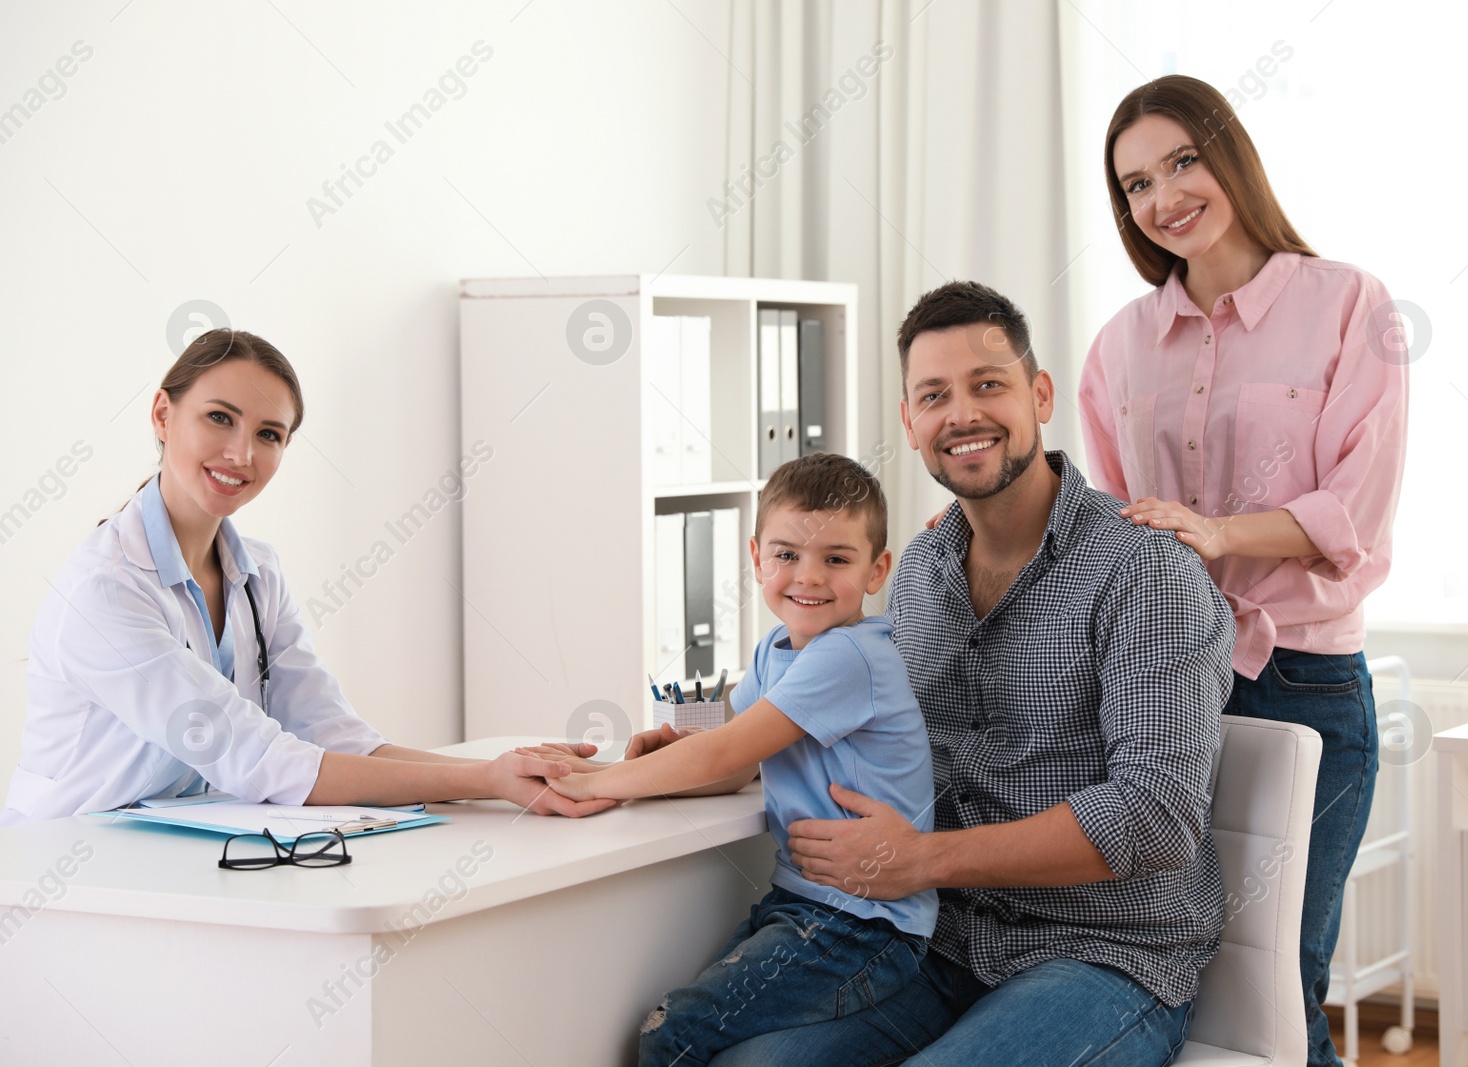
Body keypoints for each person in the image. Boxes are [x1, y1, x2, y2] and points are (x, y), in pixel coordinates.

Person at [626, 281, 1235, 1065]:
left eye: (988, 385)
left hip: (1101, 953)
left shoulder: (1144, 569)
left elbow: (1156, 816)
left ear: (1039, 395)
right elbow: (810, 708)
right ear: (910, 422)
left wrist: (923, 858)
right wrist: (685, 748)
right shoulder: (917, 570)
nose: (963, 414)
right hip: (935, 940)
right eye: (934, 395)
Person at [1078, 75, 1408, 1066]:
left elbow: (1357, 512)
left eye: (1181, 160)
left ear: (1230, 156)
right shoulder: (1117, 348)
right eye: (1135, 183)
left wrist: (1220, 535)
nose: (1164, 196)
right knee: (1193, 979)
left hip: (1303, 681)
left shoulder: (1350, 302)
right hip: (1164, 684)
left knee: (1281, 985)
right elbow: (1124, 521)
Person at [1, 329, 608, 826]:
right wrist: (484, 779)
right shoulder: (104, 590)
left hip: (176, 853)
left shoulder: (257, 571)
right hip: (67, 866)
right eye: (219, 418)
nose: (241, 454)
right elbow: (256, 756)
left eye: (269, 435)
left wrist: (505, 774)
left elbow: (336, 735)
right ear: (163, 414)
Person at [541, 452, 937, 1067]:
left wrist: (608, 781)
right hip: (803, 906)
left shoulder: (849, 656)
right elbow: (739, 764)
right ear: (756, 558)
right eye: (787, 555)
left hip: (862, 927)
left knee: (671, 1034)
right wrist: (631, 771)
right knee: (703, 1034)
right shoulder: (777, 649)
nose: (807, 577)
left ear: (876, 570)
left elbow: (725, 749)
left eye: (835, 559)